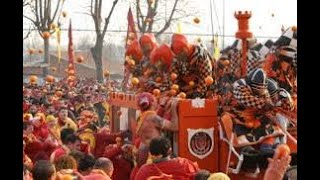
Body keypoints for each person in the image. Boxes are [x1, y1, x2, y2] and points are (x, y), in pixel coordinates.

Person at [135, 92, 179, 167]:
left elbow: (157, 117)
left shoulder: (141, 117)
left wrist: (162, 105)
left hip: (143, 155)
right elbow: (175, 127)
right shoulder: (152, 118)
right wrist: (173, 108)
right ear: (152, 103)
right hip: (153, 157)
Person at [170, 33, 213, 98]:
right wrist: (177, 90)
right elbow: (174, 76)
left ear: (185, 49)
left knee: (198, 105)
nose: (178, 57)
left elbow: (206, 77)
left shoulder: (201, 55)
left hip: (203, 90)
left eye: (180, 53)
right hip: (184, 91)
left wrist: (198, 92)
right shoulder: (177, 59)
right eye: (177, 54)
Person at [135, 137, 199, 180]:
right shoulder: (185, 164)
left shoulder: (144, 171)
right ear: (170, 150)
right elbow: (201, 176)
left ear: (150, 152)